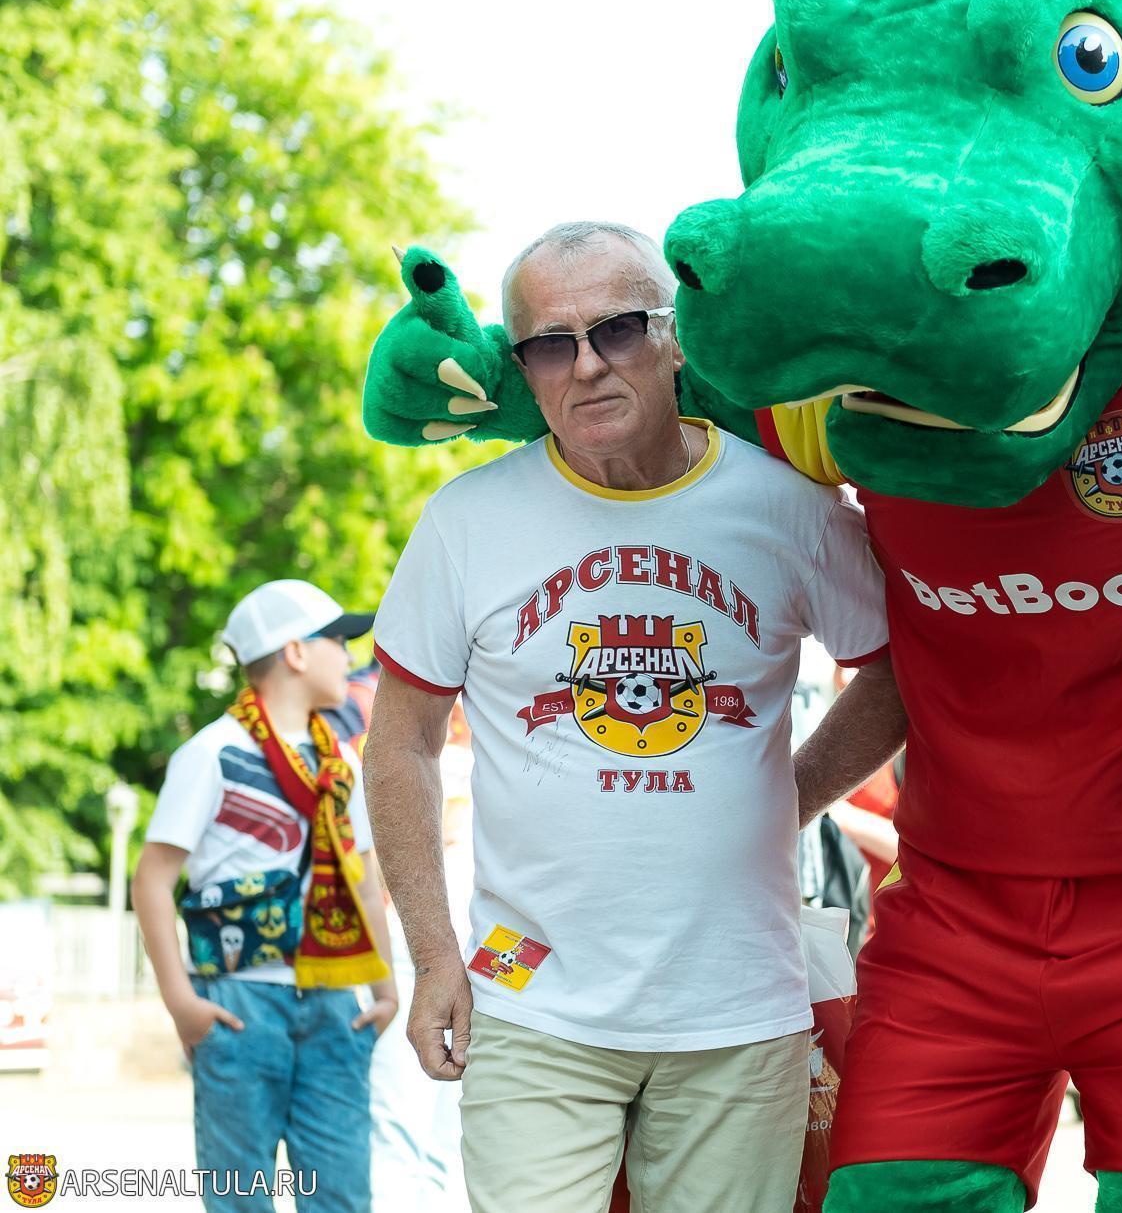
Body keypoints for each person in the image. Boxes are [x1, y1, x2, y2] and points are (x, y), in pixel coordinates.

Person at [362, 222, 906, 1213]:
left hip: (737, 1010)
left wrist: (788, 798)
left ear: (675, 336)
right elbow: (399, 741)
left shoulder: (787, 507)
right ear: (521, 369)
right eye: (549, 344)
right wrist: (435, 953)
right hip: (531, 1007)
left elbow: (897, 671)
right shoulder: (466, 521)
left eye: (616, 328)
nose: (586, 365)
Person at [134, 580, 396, 1213]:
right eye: (336, 640)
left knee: (341, 1197)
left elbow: (363, 880)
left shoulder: (340, 763)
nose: (349, 655)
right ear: (295, 653)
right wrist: (182, 1003)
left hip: (334, 1003)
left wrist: (386, 991)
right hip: (239, 1001)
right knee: (240, 1197)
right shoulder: (212, 753)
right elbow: (152, 879)